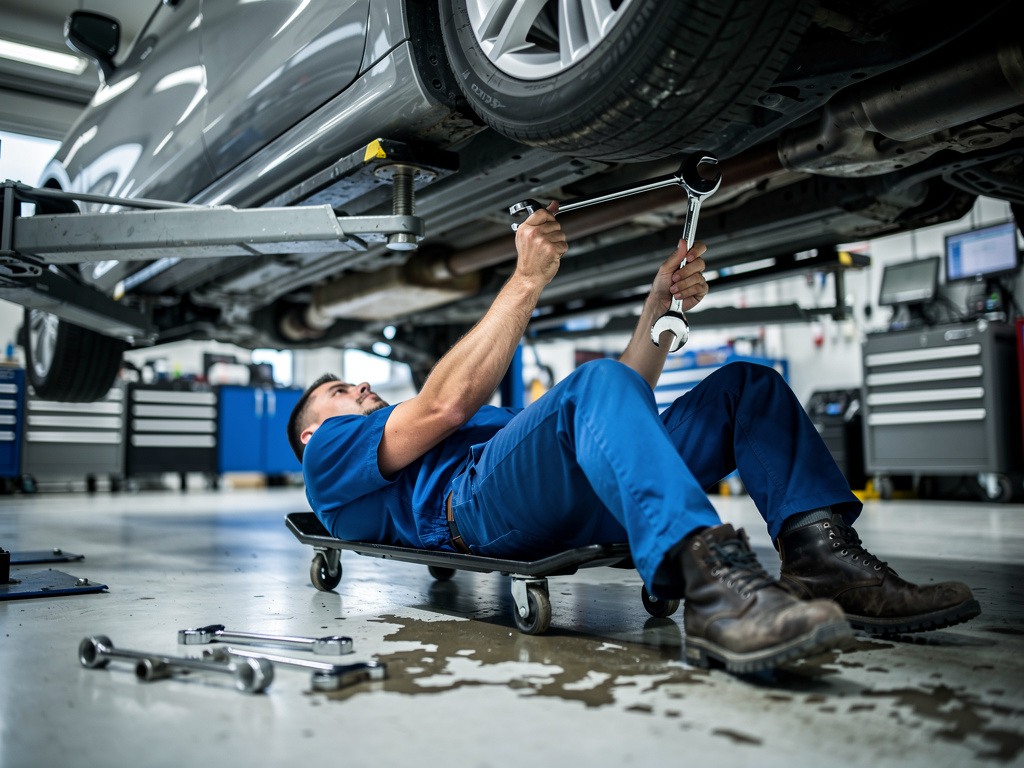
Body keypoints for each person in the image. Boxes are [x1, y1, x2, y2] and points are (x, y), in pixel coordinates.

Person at [287, 202, 980, 673]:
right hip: (474, 508)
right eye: (339, 392)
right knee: (591, 386)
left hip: (576, 487)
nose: (358, 390)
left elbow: (623, 400)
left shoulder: (389, 429)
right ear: (315, 427)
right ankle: (713, 590)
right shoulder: (330, 454)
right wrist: (525, 280)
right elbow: (443, 404)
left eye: (353, 385)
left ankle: (822, 558)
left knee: (745, 387)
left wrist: (659, 307)